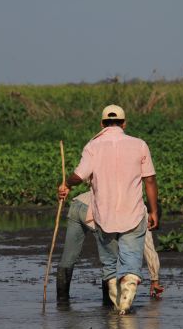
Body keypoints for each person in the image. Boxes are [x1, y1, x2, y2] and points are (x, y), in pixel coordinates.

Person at [59, 104, 159, 314]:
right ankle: (129, 283)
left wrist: (67, 184)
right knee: (131, 257)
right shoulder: (140, 145)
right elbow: (149, 180)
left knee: (109, 263)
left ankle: (114, 291)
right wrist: (153, 211)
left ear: (102, 123)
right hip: (132, 212)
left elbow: (80, 175)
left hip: (103, 216)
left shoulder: (93, 146)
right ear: (124, 123)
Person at [56, 190, 165, 305]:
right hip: (94, 210)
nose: (150, 227)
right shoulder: (141, 212)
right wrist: (155, 280)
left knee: (68, 257)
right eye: (152, 223)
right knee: (111, 260)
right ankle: (108, 304)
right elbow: (149, 250)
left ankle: (62, 301)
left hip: (77, 204)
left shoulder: (131, 198)